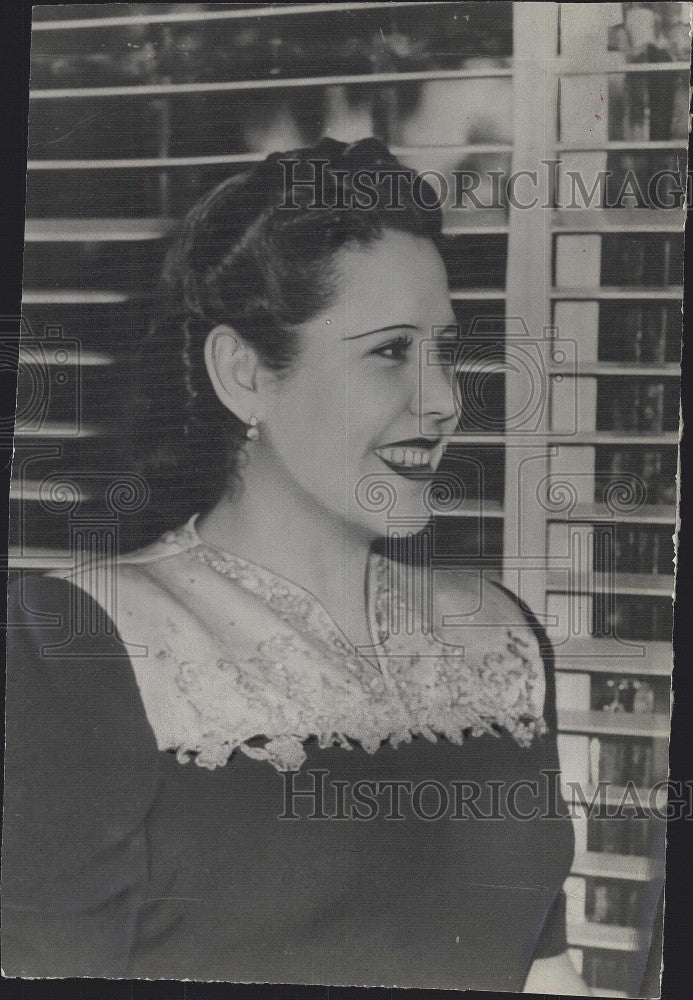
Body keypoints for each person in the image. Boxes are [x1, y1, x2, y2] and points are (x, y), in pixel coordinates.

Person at [3, 138, 589, 994]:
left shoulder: (496, 636)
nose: (444, 402)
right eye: (390, 351)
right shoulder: (79, 644)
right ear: (244, 374)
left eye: (445, 352)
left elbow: (547, 976)